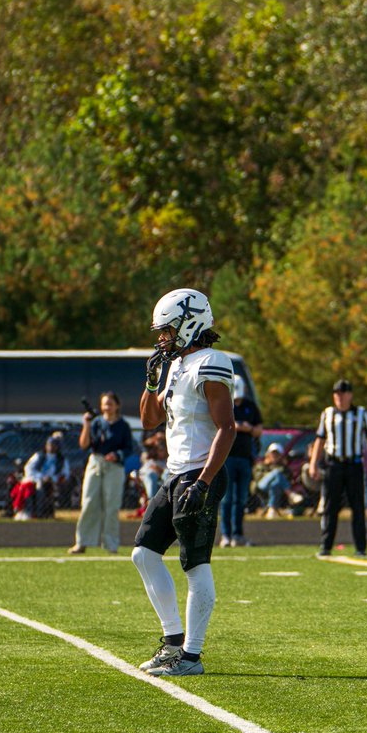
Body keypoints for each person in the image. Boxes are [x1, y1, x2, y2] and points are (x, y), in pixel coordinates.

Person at [132, 287, 235, 677]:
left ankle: (190, 656)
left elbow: (227, 428)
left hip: (200, 472)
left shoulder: (212, 362)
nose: (162, 338)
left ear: (190, 323)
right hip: (175, 473)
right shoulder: (176, 365)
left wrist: (205, 482)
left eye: (168, 330)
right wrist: (152, 380)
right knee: (143, 553)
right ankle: (172, 641)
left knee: (195, 564)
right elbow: (148, 420)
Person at [308, 379, 367, 557]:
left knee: (358, 507)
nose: (338, 397)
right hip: (334, 464)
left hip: (354, 464)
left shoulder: (361, 414)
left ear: (350, 395)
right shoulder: (328, 414)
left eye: (342, 393)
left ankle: (361, 547)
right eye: (336, 393)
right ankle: (326, 546)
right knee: (330, 507)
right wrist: (313, 463)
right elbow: (320, 440)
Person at [69, 392, 134, 555]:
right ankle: (82, 542)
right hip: (96, 463)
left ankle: (111, 544)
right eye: (105, 404)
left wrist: (116, 455)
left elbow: (129, 449)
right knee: (89, 502)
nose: (107, 407)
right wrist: (86, 424)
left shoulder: (123, 426)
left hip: (114, 467)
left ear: (117, 406)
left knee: (111, 505)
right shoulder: (96, 422)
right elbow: (84, 444)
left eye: (110, 404)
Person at [218, 379, 263, 548]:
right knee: (227, 499)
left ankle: (238, 535)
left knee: (241, 499)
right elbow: (219, 425)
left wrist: (249, 428)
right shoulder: (225, 405)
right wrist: (237, 426)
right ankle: (226, 535)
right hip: (227, 457)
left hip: (245, 458)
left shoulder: (250, 406)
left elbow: (259, 430)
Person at [13, 436, 66, 520]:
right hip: (35, 480)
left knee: (44, 486)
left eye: (53, 445)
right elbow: (28, 468)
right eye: (49, 444)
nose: (51, 447)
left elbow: (64, 474)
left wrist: (53, 478)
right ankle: (29, 511)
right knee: (33, 487)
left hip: (51, 482)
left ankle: (40, 512)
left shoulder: (61, 459)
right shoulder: (39, 455)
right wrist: (41, 477)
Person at [254, 443, 292, 518]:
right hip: (261, 486)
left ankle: (272, 509)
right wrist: (270, 469)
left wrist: (282, 466)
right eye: (272, 453)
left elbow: (288, 478)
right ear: (268, 454)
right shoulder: (261, 465)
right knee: (277, 473)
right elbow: (258, 478)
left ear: (281, 456)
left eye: (277, 454)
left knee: (274, 485)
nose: (274, 456)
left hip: (276, 488)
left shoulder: (284, 467)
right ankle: (290, 494)